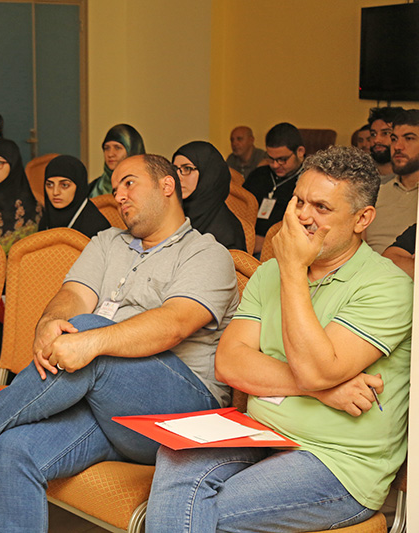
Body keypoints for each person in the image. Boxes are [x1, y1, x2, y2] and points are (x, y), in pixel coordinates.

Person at [0, 154, 239, 532]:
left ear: (167, 186)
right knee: (14, 449)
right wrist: (49, 324)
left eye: (129, 183)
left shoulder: (207, 253)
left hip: (181, 413)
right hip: (107, 410)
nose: (119, 196)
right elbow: (73, 294)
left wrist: (90, 340)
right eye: (115, 187)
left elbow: (174, 324)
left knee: (89, 332)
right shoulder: (107, 242)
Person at [146, 146, 412, 532]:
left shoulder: (387, 286)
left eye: (321, 207)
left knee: (196, 513)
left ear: (362, 219)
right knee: (175, 457)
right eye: (299, 201)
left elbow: (317, 369)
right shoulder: (269, 272)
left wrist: (292, 269)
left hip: (336, 463)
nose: (303, 215)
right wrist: (322, 390)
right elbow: (230, 363)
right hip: (260, 435)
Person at [243, 122, 305, 254]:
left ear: (300, 152)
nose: (275, 165)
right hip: (247, 244)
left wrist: (266, 243)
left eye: (282, 159)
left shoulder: (308, 182)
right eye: (271, 159)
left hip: (283, 249)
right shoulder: (259, 175)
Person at [173, 140, 247, 250]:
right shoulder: (173, 213)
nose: (178, 177)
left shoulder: (226, 231)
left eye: (187, 168)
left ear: (209, 175)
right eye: (175, 169)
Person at [365, 109, 419, 254]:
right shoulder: (375, 194)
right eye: (394, 139)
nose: (397, 146)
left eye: (409, 138)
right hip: (369, 266)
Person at [38, 154, 111, 238]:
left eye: (64, 185)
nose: (55, 192)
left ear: (79, 187)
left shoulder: (98, 227)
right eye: (50, 185)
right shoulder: (45, 220)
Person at [88, 123, 145, 197]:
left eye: (117, 148)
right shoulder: (91, 188)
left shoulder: (146, 186)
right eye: (107, 148)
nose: (110, 154)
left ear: (132, 151)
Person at [368, 106, 405, 182]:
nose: (376, 140)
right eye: (373, 134)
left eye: (385, 133)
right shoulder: (360, 175)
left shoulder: (409, 179)